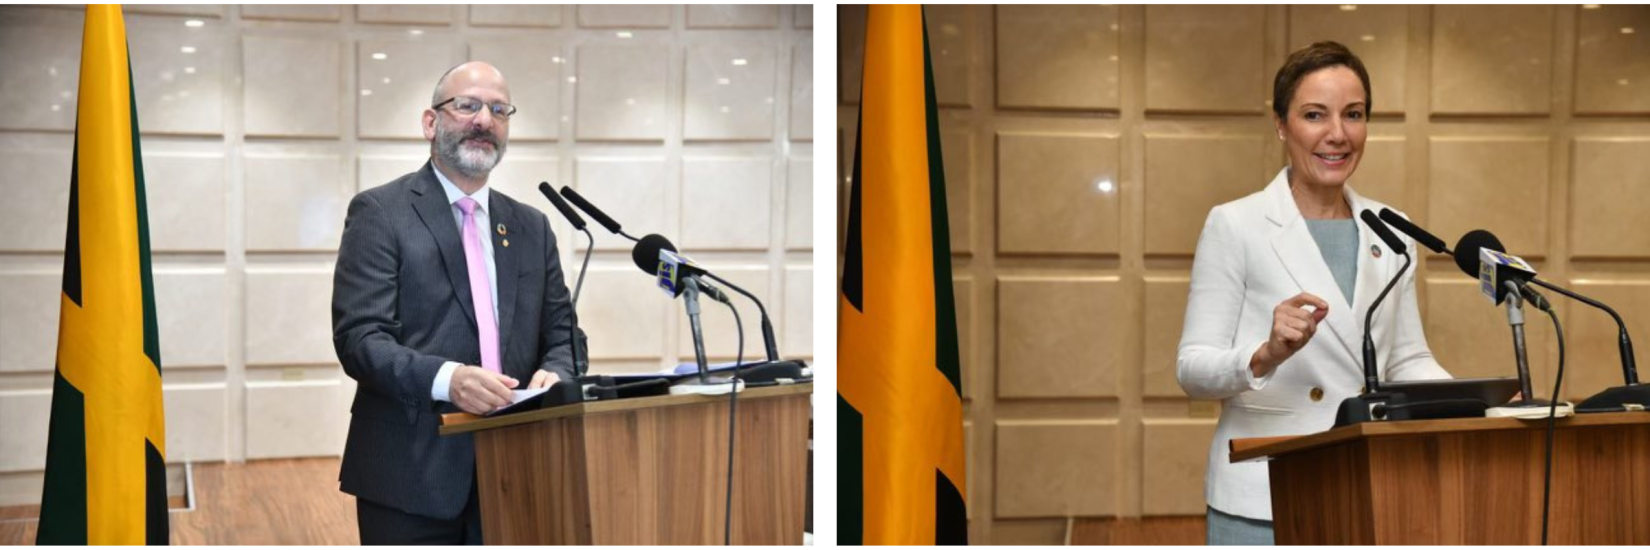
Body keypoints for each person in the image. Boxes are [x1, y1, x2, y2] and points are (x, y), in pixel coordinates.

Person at [1175, 42, 1451, 545]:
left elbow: (1407, 359)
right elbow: (1193, 370)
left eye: (1354, 114)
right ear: (1282, 124)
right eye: (1314, 115)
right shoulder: (1235, 224)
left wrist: (1475, 401)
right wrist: (1263, 354)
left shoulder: (1393, 229)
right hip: (1264, 492)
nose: (1338, 135)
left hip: (1369, 485)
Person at [331, 61, 578, 544]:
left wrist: (558, 370)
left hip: (519, 467)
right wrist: (451, 381)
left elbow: (565, 335)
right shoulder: (381, 212)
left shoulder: (531, 226)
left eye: (498, 109)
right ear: (430, 122)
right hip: (411, 471)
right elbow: (360, 339)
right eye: (467, 105)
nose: (484, 120)